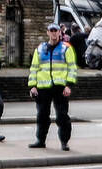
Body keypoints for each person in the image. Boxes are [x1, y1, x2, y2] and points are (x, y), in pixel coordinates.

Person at [28, 22, 77, 150]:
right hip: (43, 87)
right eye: (52, 31)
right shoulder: (40, 49)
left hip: (60, 87)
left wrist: (68, 85)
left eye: (56, 31)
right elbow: (34, 69)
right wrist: (33, 86)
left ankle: (64, 142)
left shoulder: (66, 48)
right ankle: (40, 140)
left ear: (60, 33)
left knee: (62, 116)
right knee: (42, 116)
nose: (54, 33)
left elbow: (72, 68)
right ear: (48, 32)